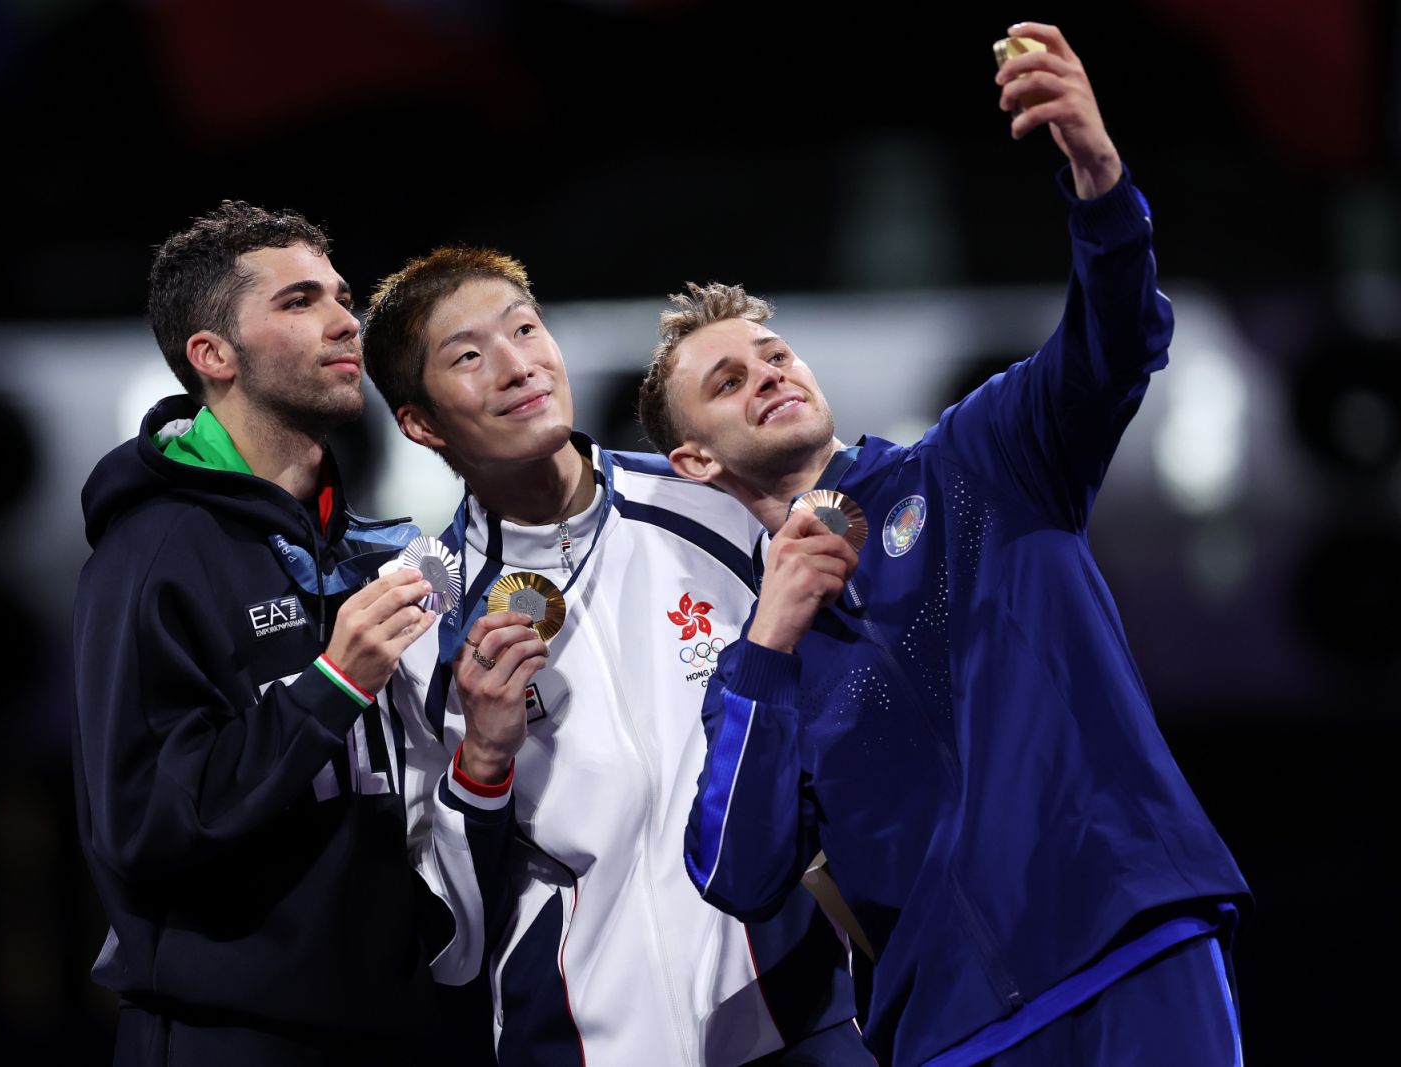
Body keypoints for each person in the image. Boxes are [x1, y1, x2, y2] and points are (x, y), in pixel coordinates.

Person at [640, 24, 1250, 1067]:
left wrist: (1100, 184)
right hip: (951, 1028)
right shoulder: (756, 667)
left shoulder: (977, 460)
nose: (769, 375)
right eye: (729, 382)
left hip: (1123, 940)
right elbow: (736, 872)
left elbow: (1114, 342)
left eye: (773, 353)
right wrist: (769, 640)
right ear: (694, 460)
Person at [360, 249, 867, 1065]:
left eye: (525, 329)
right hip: (579, 1045)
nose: (517, 364)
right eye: (468, 355)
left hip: (794, 1017)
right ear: (419, 422)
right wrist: (484, 760)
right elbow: (446, 936)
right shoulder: (422, 618)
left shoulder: (716, 506)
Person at [72, 201, 449, 1065]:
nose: (345, 320)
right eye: (299, 301)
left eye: (342, 296)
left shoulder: (367, 551)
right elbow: (140, 826)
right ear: (214, 356)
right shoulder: (152, 554)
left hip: (396, 1027)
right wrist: (332, 685)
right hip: (231, 1036)